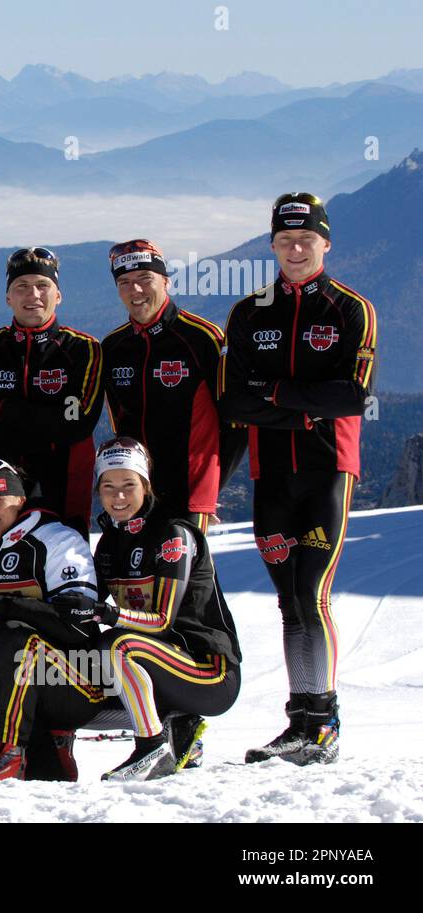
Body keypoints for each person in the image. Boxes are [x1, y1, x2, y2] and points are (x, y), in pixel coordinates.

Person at [219, 192, 377, 766]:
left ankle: (326, 722)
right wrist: (303, 404)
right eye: (284, 240)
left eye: (305, 239)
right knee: (288, 601)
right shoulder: (248, 313)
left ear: (326, 243)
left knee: (312, 594)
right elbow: (234, 399)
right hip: (272, 475)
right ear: (272, 245)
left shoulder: (349, 309)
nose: (295, 249)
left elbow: (352, 397)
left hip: (328, 469)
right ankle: (299, 720)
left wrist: (275, 397)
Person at [0, 459, 108, 782]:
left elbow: (78, 626)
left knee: (17, 634)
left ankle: (10, 755)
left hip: (77, 680)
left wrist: (9, 608)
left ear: (19, 500)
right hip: (9, 692)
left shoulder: (57, 540)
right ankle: (42, 750)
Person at [91, 438, 242, 780]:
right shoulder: (109, 543)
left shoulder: (172, 534)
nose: (118, 496)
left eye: (129, 485)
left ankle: (152, 749)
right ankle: (178, 728)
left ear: (145, 486)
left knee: (116, 644)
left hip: (210, 671)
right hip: (164, 666)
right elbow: (86, 607)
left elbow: (161, 621)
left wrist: (106, 613)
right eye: (108, 486)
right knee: (72, 676)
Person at [100, 239, 246, 530]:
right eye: (125, 282)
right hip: (137, 493)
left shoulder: (203, 338)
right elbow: (121, 426)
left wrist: (211, 488)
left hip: (191, 490)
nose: (136, 290)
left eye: (145, 279)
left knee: (188, 574)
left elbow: (236, 425)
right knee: (138, 576)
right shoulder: (113, 346)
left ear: (165, 281)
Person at [0, 246, 103, 534]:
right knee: (4, 571)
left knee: (65, 564)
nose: (33, 295)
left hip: (64, 481)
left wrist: (2, 409)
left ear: (58, 296)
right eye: (21, 286)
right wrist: (49, 418)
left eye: (42, 285)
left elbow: (78, 425)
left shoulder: (84, 348)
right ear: (8, 297)